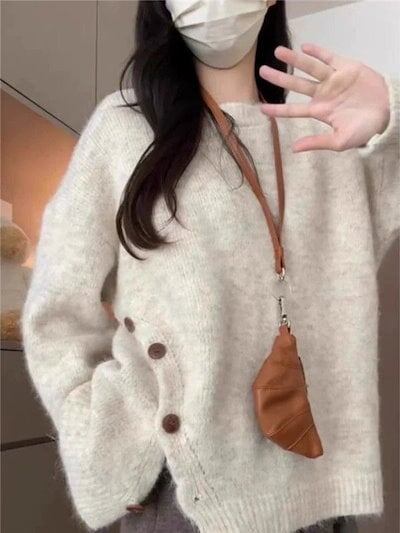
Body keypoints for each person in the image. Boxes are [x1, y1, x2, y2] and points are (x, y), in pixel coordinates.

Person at [21, 1, 399, 532]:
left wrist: (393, 113)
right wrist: (99, 435)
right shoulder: (125, 129)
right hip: (180, 493)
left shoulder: (324, 136)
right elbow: (56, 312)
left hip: (316, 493)